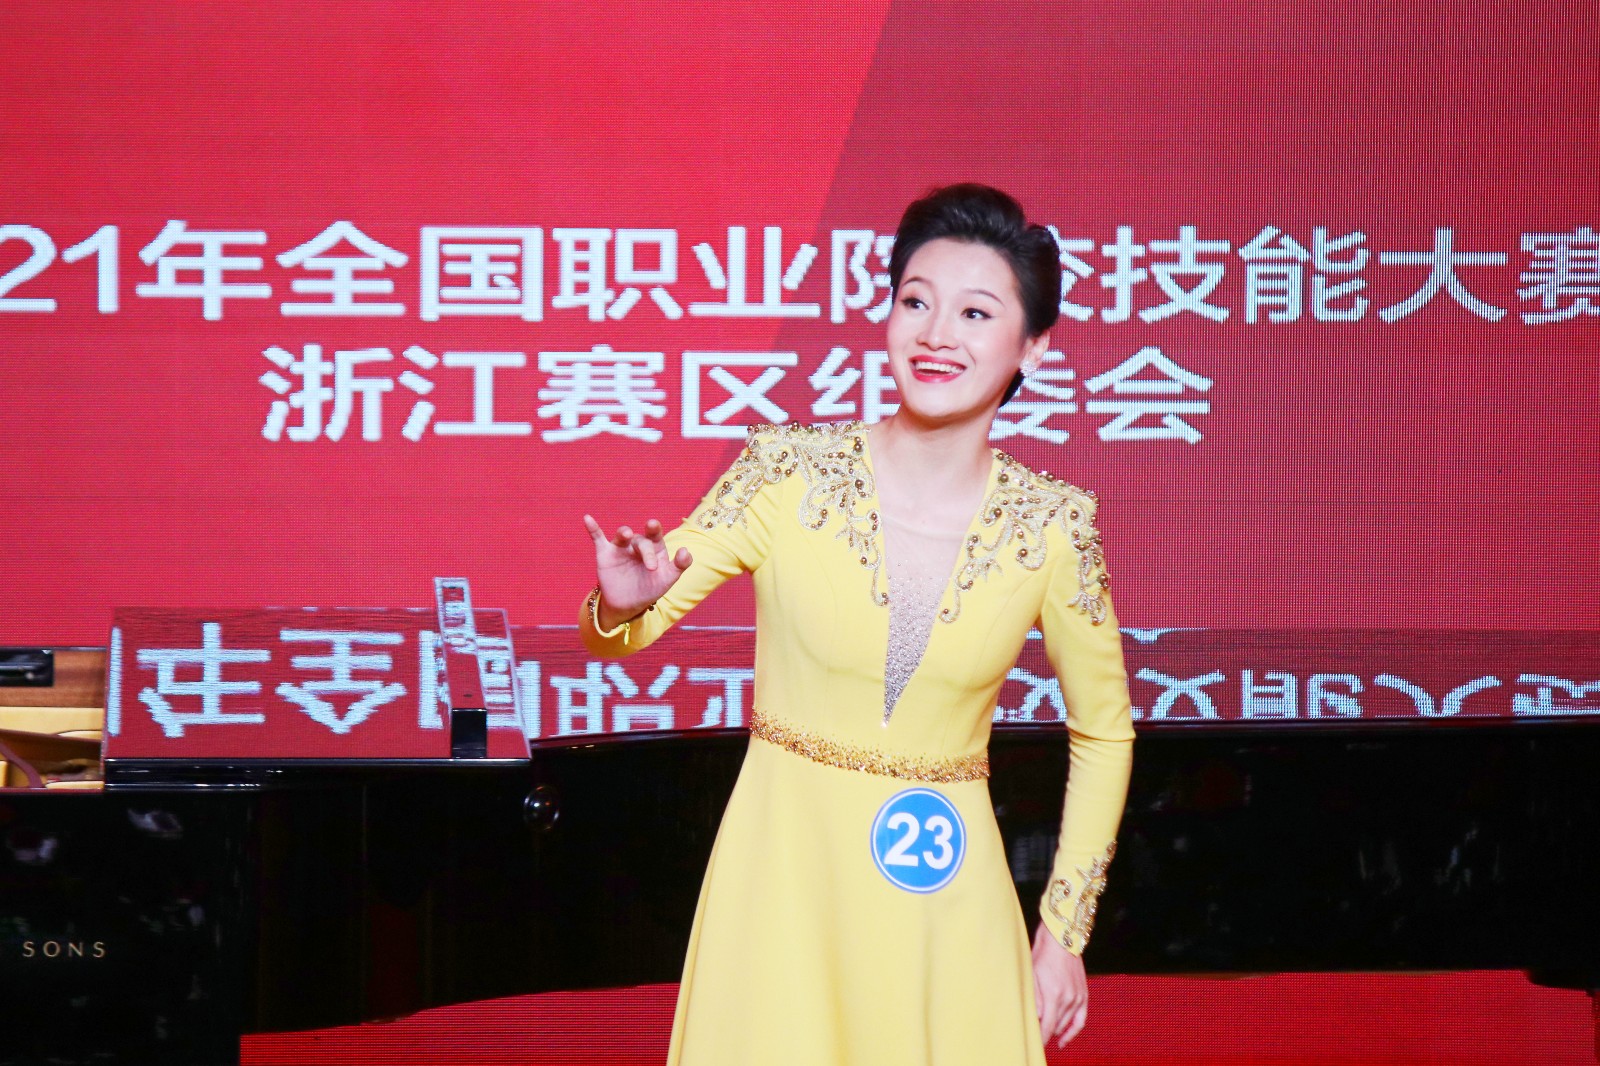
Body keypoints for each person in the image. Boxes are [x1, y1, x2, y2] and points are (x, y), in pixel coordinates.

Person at [580, 184, 1135, 1064]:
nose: (936, 334)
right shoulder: (785, 470)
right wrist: (623, 601)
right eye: (915, 302)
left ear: (1033, 344)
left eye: (975, 313)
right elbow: (630, 625)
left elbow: (1104, 732)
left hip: (944, 903)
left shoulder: (1054, 527)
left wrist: (1063, 930)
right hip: (783, 886)